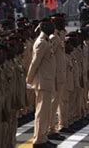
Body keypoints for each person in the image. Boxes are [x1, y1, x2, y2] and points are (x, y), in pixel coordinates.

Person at [26, 18, 57, 148]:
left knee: (46, 111)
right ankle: (38, 140)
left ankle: (43, 137)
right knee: (41, 112)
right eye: (50, 25)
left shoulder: (46, 41)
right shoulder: (41, 43)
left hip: (47, 80)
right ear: (43, 26)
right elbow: (34, 63)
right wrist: (29, 79)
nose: (53, 27)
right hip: (43, 82)